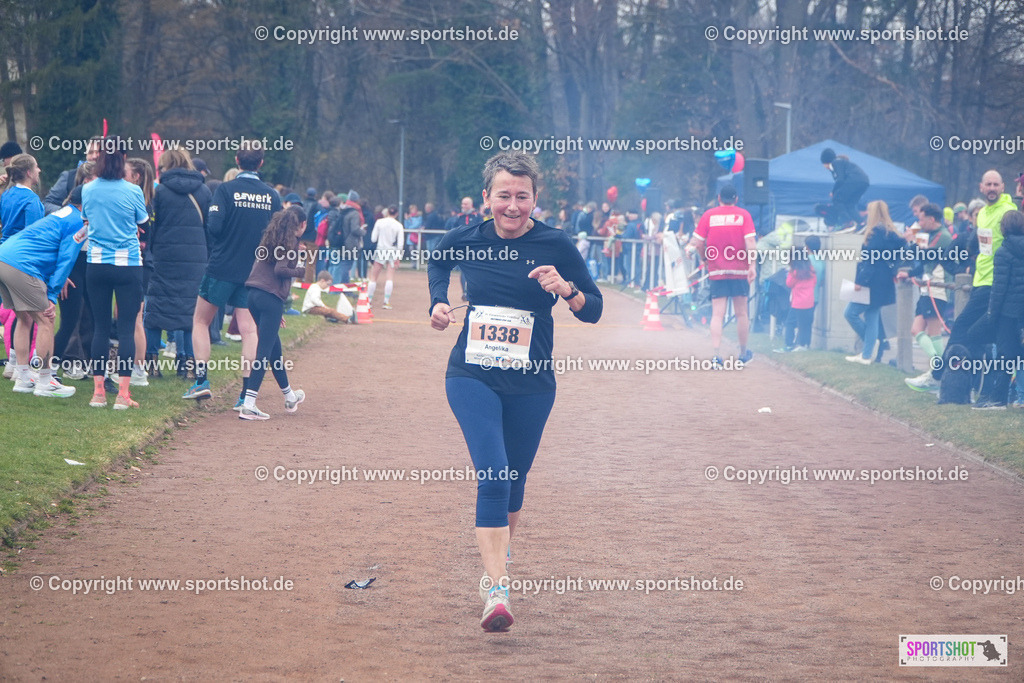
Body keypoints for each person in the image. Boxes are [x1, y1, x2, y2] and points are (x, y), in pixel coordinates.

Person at [428, 151, 601, 632]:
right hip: (471, 375)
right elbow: (438, 260)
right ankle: (498, 590)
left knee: (515, 480)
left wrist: (566, 289)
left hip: (532, 384)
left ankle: (496, 566)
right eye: (503, 195)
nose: (512, 205)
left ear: (534, 199)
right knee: (496, 474)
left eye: (521, 196)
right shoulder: (467, 237)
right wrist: (438, 302)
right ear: (486, 198)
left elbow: (593, 309)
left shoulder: (555, 243)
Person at [184, 141, 282, 404]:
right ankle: (245, 394)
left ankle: (201, 380)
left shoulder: (226, 190)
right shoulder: (272, 195)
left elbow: (214, 227)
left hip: (222, 266)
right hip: (255, 273)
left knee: (201, 322)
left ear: (237, 160)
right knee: (249, 331)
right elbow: (279, 237)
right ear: (260, 163)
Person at [907, 171, 1016, 395]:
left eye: (996, 184)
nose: (993, 187)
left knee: (961, 328)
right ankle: (970, 386)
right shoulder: (983, 214)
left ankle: (937, 375)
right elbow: (978, 247)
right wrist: (965, 265)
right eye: (989, 184)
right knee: (977, 337)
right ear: (981, 187)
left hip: (996, 283)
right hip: (980, 280)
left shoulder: (1008, 212)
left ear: (1003, 186)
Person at [80, 137, 150, 409]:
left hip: (96, 264)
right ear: (123, 161)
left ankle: (98, 392)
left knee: (100, 327)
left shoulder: (88, 189)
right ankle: (123, 394)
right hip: (128, 264)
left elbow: (87, 219)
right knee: (125, 330)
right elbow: (144, 226)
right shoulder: (132, 191)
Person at [0, 184, 83, 397]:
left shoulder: (62, 214)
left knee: (24, 318)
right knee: (46, 320)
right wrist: (52, 295)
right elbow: (66, 259)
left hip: (4, 257)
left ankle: (23, 377)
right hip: (20, 265)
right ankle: (46, 380)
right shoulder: (78, 222)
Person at [144, 150, 212, 380]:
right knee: (193, 314)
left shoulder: (159, 191)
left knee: (155, 311)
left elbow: (151, 227)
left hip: (165, 258)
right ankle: (188, 364)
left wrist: (149, 253)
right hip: (196, 259)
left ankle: (151, 363)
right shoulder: (203, 191)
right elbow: (209, 229)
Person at [239, 205, 306, 420]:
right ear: (302, 225)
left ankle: (290, 396)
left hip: (254, 296)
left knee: (274, 349)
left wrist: (276, 312)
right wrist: (301, 270)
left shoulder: (270, 240)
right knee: (264, 352)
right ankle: (249, 403)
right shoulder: (292, 245)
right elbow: (280, 270)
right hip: (269, 298)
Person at [685, 184, 755, 364]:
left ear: (719, 198)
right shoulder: (744, 215)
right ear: (736, 199)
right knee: (741, 313)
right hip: (740, 270)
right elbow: (750, 243)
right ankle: (743, 352)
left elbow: (698, 243)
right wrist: (752, 265)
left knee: (717, 314)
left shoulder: (709, 215)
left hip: (717, 269)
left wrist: (704, 259)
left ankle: (716, 354)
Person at [843, 200, 906, 365]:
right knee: (872, 316)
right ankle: (866, 354)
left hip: (871, 280)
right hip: (884, 280)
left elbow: (869, 260)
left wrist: (860, 281)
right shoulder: (892, 234)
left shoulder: (875, 233)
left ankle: (872, 344)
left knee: (850, 313)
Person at [974, 210, 1024, 409]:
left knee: (1005, 355)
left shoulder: (1003, 252)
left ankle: (998, 399)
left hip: (1008, 313)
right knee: (1020, 354)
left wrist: (991, 314)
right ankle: (1020, 396)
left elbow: (999, 288)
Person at [895, 203, 952, 367]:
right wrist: (910, 273)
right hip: (927, 288)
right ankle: (939, 368)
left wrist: (913, 242)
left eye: (921, 220)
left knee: (934, 333)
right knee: (916, 330)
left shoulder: (943, 236)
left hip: (938, 289)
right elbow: (924, 262)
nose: (918, 224)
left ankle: (940, 371)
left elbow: (926, 257)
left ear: (931, 219)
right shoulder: (930, 234)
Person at [820, 148, 870, 229]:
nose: (824, 167)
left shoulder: (835, 162)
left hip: (854, 180)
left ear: (825, 162)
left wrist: (833, 191)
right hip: (864, 181)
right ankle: (861, 223)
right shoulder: (842, 164)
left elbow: (840, 180)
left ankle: (847, 222)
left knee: (837, 199)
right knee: (850, 204)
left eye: (823, 164)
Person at [1, 154, 45, 244]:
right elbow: (32, 236)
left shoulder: (6, 194)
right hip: (20, 253)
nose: (39, 170)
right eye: (36, 167)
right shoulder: (31, 200)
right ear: (29, 173)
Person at [779, 247, 816, 352]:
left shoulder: (795, 272)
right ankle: (805, 345)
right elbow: (814, 282)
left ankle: (789, 344)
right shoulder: (811, 270)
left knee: (790, 323)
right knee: (806, 324)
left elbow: (789, 283)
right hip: (809, 301)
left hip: (798, 303)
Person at [367, 205, 403, 309]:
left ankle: (369, 301)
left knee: (373, 277)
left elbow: (373, 239)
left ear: (387, 212)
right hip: (392, 250)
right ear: (396, 213)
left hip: (381, 249)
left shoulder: (379, 222)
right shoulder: (398, 225)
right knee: (390, 277)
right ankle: (386, 301)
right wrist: (398, 256)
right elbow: (400, 244)